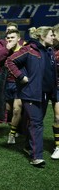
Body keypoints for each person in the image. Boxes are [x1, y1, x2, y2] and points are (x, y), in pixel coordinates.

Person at [6, 26, 56, 167]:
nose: (53, 37)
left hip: (45, 93)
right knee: (37, 123)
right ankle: (36, 157)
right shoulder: (29, 49)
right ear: (42, 36)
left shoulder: (49, 51)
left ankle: (28, 146)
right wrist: (21, 76)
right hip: (31, 93)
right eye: (51, 35)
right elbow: (9, 62)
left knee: (36, 122)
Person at [50, 23, 59, 159]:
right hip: (55, 88)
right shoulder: (51, 50)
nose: (52, 37)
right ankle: (58, 146)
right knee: (57, 117)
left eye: (54, 34)